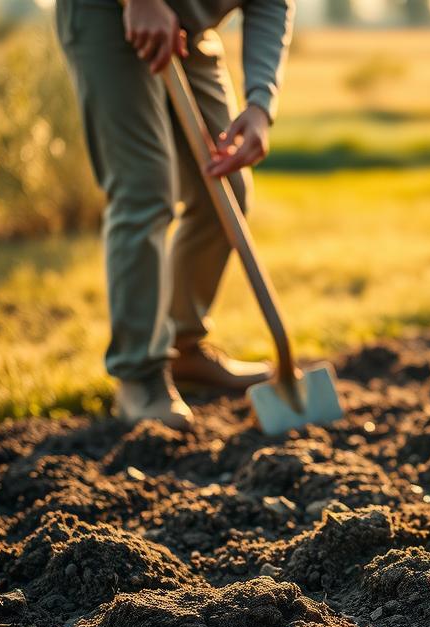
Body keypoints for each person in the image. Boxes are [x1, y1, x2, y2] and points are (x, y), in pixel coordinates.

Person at [55, 0, 294, 429]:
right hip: (108, 15)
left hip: (189, 30)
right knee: (144, 190)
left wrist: (261, 104)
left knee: (226, 187)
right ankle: (139, 375)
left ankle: (184, 347)